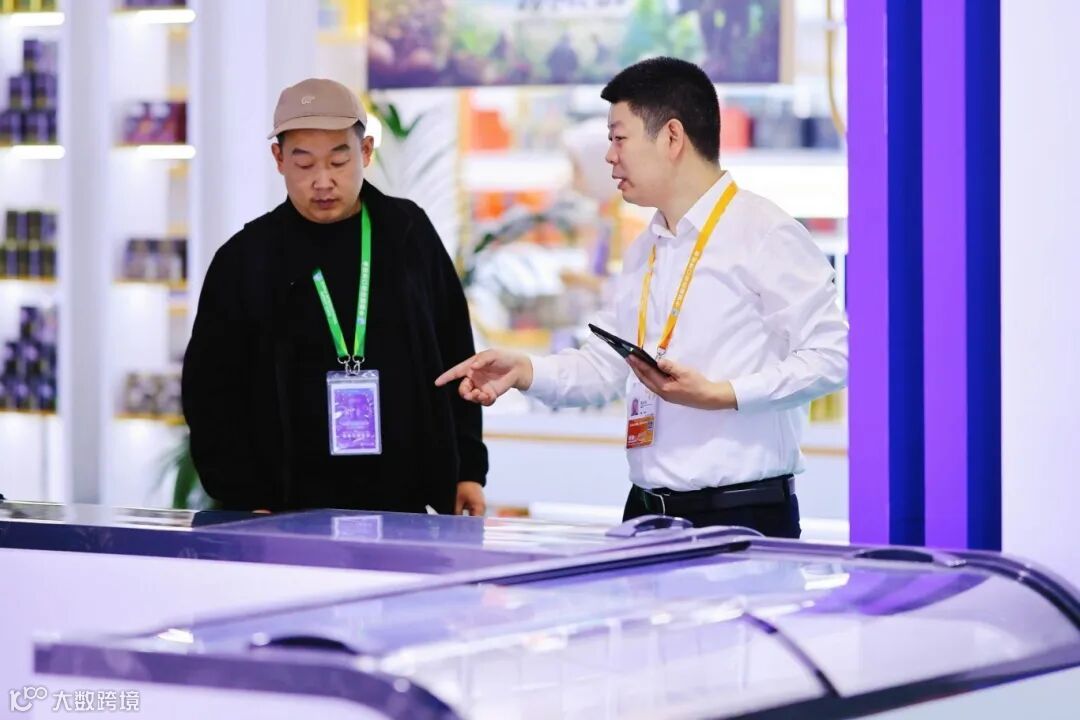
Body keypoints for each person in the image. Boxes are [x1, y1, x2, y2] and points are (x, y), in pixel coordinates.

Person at [437, 58, 847, 537]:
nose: (609, 157)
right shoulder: (646, 249)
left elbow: (833, 355)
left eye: (619, 138)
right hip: (647, 512)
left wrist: (723, 394)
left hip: (739, 514)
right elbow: (608, 367)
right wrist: (525, 371)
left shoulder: (763, 232)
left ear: (672, 137)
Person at [183, 78, 487, 515]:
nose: (322, 181)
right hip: (285, 506)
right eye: (304, 164)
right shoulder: (246, 258)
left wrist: (467, 469)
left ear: (366, 151)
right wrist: (244, 493)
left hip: (401, 497)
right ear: (278, 159)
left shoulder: (407, 233)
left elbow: (455, 350)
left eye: (339, 161)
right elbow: (210, 389)